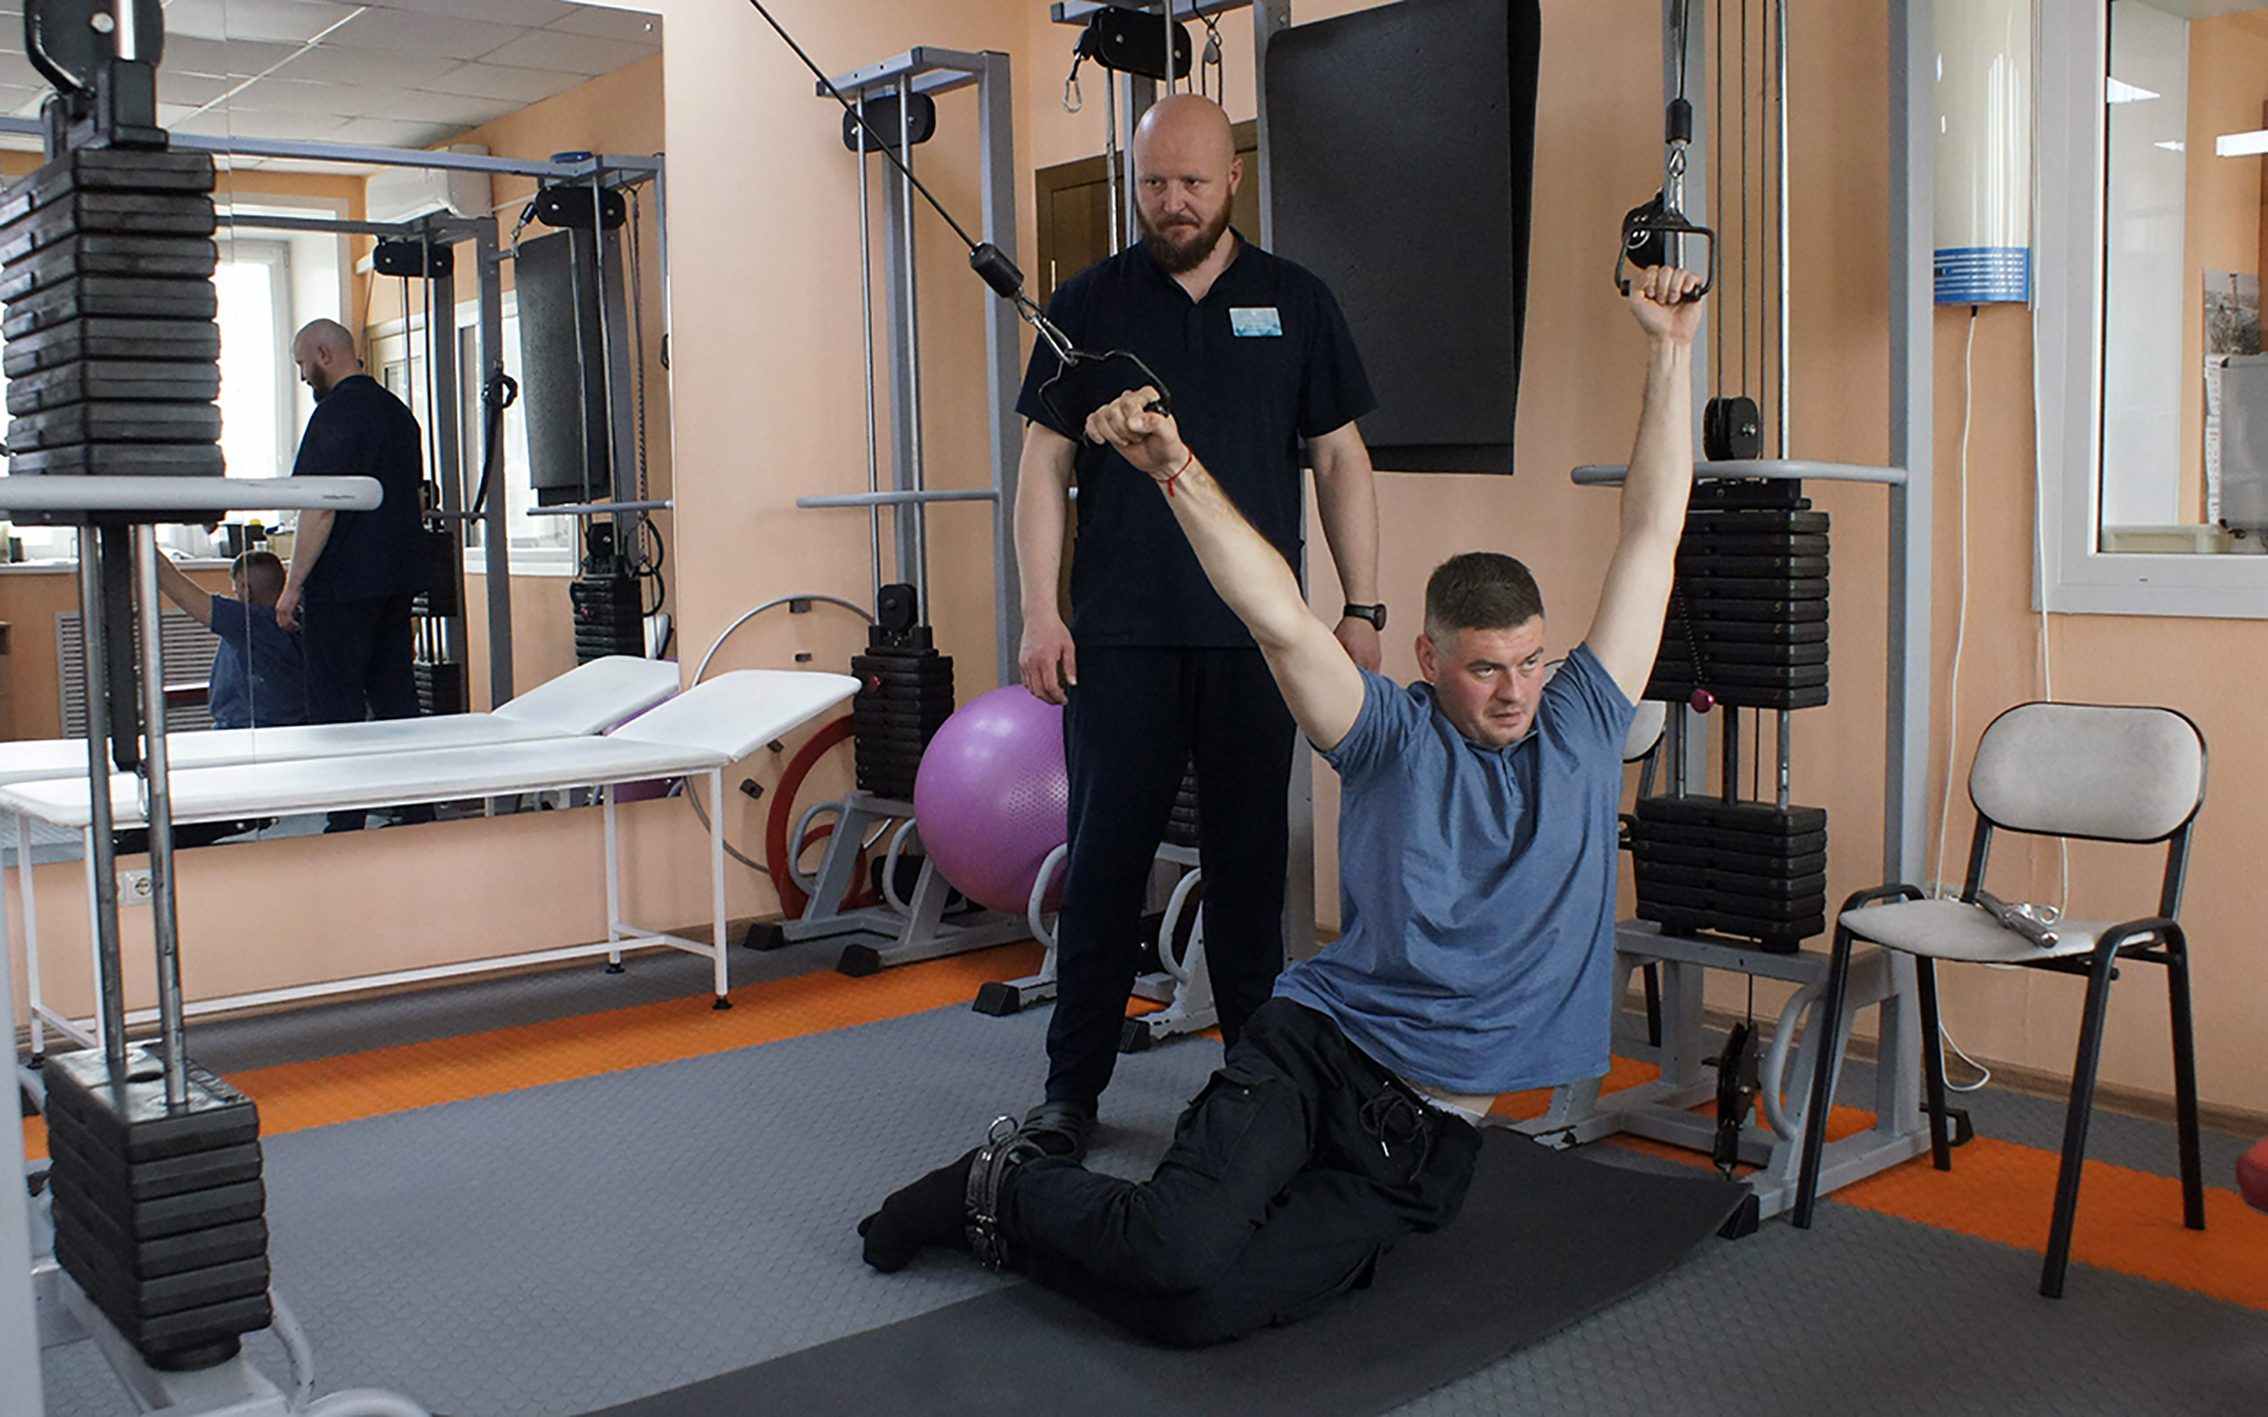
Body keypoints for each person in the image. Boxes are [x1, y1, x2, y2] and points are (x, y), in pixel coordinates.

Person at [857, 265, 1709, 1348]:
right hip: (1318, 1056)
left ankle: (1048, 1222)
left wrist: (1670, 351)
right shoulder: (1388, 734)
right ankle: (997, 1187)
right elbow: (1279, 616)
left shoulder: (1581, 719)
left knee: (1200, 1311)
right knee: (1170, 1251)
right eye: (1487, 668)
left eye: (1531, 662)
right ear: (1429, 659)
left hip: (1425, 1143)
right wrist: (1177, 471)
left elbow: (1652, 535)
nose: (1515, 692)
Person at [1012, 94, 1385, 1162]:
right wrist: (1041, 609)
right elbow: (1042, 465)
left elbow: (1341, 459)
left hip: (1258, 640)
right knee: (1103, 870)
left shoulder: (1295, 300)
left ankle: (1254, 1095)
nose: (1172, 201)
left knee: (1250, 876)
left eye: (1191, 181)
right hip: (1120, 637)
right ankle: (1069, 1095)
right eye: (1154, 184)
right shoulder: (1086, 303)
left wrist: (1361, 608)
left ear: (1233, 179)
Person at [276, 317, 432, 830]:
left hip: (342, 585)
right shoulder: (399, 415)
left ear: (324, 354)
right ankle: (420, 812)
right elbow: (415, 499)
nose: (303, 376)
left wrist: (292, 587)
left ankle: (344, 824)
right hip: (395, 581)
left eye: (303, 364)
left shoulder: (334, 416)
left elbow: (318, 509)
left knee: (335, 707)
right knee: (396, 699)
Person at [153, 549, 308, 731]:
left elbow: (171, 581)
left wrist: (139, 543)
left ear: (246, 590)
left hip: (244, 732)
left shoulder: (249, 622)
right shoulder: (300, 621)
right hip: (296, 729)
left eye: (235, 591)